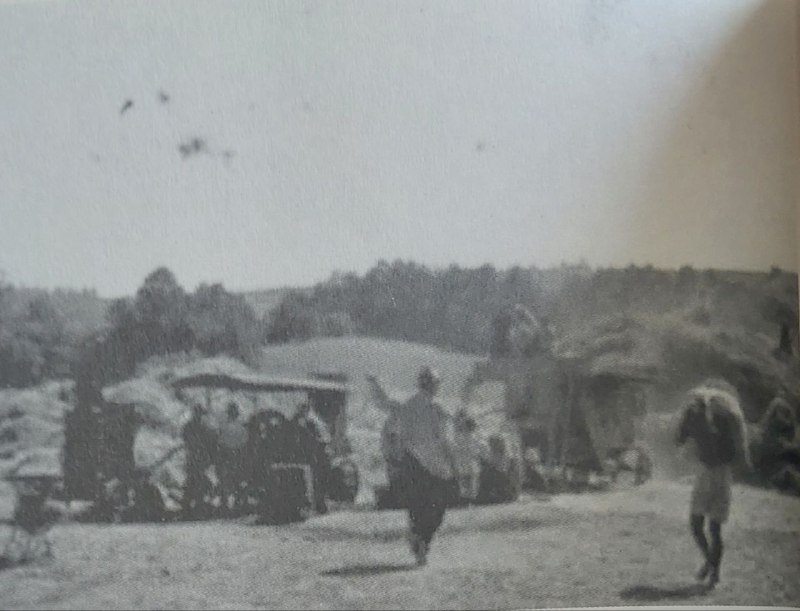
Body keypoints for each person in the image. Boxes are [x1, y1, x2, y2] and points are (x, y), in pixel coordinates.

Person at [675, 379, 751, 588]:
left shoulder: (694, 414)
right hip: (721, 473)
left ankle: (710, 564)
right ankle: (713, 570)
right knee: (712, 527)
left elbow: (678, 438)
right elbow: (738, 449)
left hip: (708, 472)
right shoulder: (727, 414)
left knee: (698, 524)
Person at [394, 366, 458, 566]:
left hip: (423, 463)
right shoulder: (422, 407)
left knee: (425, 507)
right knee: (430, 507)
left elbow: (400, 438)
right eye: (434, 383)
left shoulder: (433, 407)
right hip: (424, 464)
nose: (435, 387)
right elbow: (444, 440)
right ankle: (421, 544)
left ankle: (420, 542)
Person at [181, 404, 215, 518]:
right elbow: (208, 443)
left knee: (191, 481)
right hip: (199, 458)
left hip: (193, 457)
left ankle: (187, 506)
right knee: (197, 481)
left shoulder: (189, 426)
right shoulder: (203, 427)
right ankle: (196, 506)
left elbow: (185, 440)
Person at [217, 402, 248, 515]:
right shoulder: (242, 427)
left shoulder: (223, 426)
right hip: (236, 456)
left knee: (225, 482)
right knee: (237, 482)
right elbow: (244, 443)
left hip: (227, 456)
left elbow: (220, 442)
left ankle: (225, 506)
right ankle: (238, 505)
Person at [452, 409, 482, 504]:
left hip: (467, 460)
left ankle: (468, 499)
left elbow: (476, 449)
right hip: (465, 460)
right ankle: (468, 499)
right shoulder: (461, 436)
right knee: (467, 480)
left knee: (468, 480)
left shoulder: (469, 436)